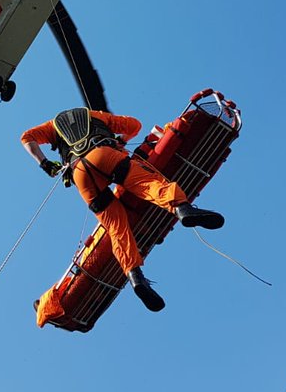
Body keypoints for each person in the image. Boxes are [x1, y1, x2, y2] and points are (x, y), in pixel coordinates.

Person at [21, 107, 224, 312]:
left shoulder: (52, 126)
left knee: (116, 226)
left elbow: (27, 137)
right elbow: (134, 126)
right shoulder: (97, 116)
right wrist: (122, 140)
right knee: (148, 184)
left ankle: (135, 277)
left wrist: (45, 163)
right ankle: (182, 209)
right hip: (104, 154)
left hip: (80, 174)